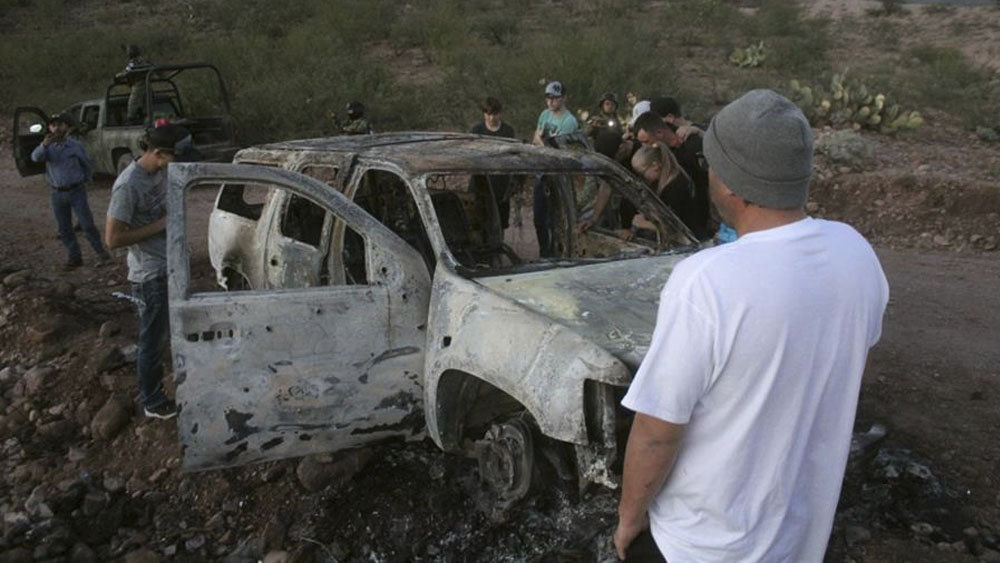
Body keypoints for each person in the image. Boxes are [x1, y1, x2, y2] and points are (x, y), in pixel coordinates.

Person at [613, 89, 889, 562]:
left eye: (711, 164)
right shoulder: (856, 254)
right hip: (797, 539)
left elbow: (658, 431)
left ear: (732, 185)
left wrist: (630, 521)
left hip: (698, 545)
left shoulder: (706, 281)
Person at [105, 124, 191, 420]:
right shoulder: (128, 185)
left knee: (171, 334)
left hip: (172, 266)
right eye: (171, 157)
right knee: (152, 342)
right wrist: (161, 224)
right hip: (150, 275)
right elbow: (112, 239)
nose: (174, 164)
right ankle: (152, 401)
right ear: (156, 153)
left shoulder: (160, 172)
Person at [31, 113, 110, 270]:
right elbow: (35, 158)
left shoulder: (75, 145)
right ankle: (75, 257)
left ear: (66, 127)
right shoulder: (46, 147)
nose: (57, 128)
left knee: (87, 225)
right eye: (53, 125)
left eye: (60, 125)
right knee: (64, 228)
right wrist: (44, 145)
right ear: (49, 128)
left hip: (76, 190)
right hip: (57, 193)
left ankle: (101, 253)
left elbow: (86, 163)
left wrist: (88, 179)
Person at [633, 112, 712, 240]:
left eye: (646, 142)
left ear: (659, 133)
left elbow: (706, 181)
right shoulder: (662, 156)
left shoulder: (689, 145)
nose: (644, 147)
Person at [532, 80, 578, 257]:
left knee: (553, 218)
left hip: (557, 175)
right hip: (541, 171)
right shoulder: (545, 115)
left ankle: (553, 254)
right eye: (548, 98)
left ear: (563, 99)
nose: (551, 102)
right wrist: (543, 142)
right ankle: (543, 252)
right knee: (539, 219)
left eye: (555, 98)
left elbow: (559, 149)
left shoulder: (569, 121)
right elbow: (536, 137)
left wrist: (543, 142)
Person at [628, 142, 705, 240]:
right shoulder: (667, 181)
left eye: (642, 173)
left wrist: (643, 224)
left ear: (655, 166)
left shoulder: (675, 187)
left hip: (690, 239)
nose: (643, 178)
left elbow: (675, 228)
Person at [470, 97, 516, 228]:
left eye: (494, 114)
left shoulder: (508, 131)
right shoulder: (476, 131)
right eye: (488, 114)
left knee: (500, 223)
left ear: (500, 113)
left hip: (501, 183)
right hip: (480, 182)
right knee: (479, 222)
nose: (491, 118)